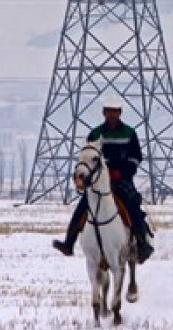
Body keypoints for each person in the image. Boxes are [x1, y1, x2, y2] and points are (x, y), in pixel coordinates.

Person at [52, 96, 155, 264]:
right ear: (104, 113)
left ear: (120, 113)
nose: (111, 115)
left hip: (122, 180)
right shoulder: (95, 133)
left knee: (133, 207)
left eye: (114, 112)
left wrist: (125, 172)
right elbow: (88, 157)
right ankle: (68, 243)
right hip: (99, 182)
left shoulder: (129, 133)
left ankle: (142, 244)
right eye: (108, 112)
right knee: (81, 208)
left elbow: (136, 156)